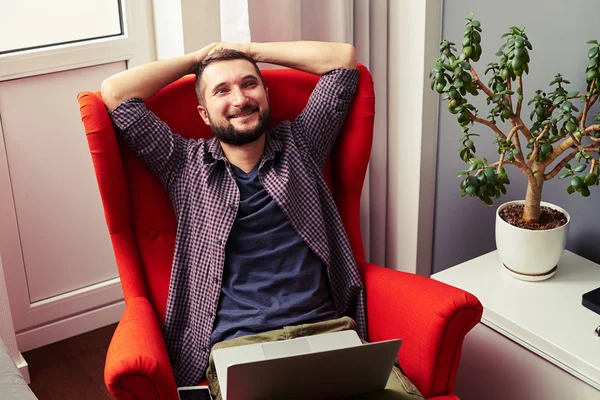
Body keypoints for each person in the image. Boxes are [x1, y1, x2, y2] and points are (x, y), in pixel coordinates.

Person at [101, 41, 423, 399]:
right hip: (242, 347)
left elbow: (343, 61)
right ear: (204, 114)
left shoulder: (302, 145)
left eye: (249, 84)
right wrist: (197, 60)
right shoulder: (183, 165)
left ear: (265, 94)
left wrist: (249, 50)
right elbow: (115, 92)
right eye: (221, 91)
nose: (239, 99)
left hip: (327, 333)